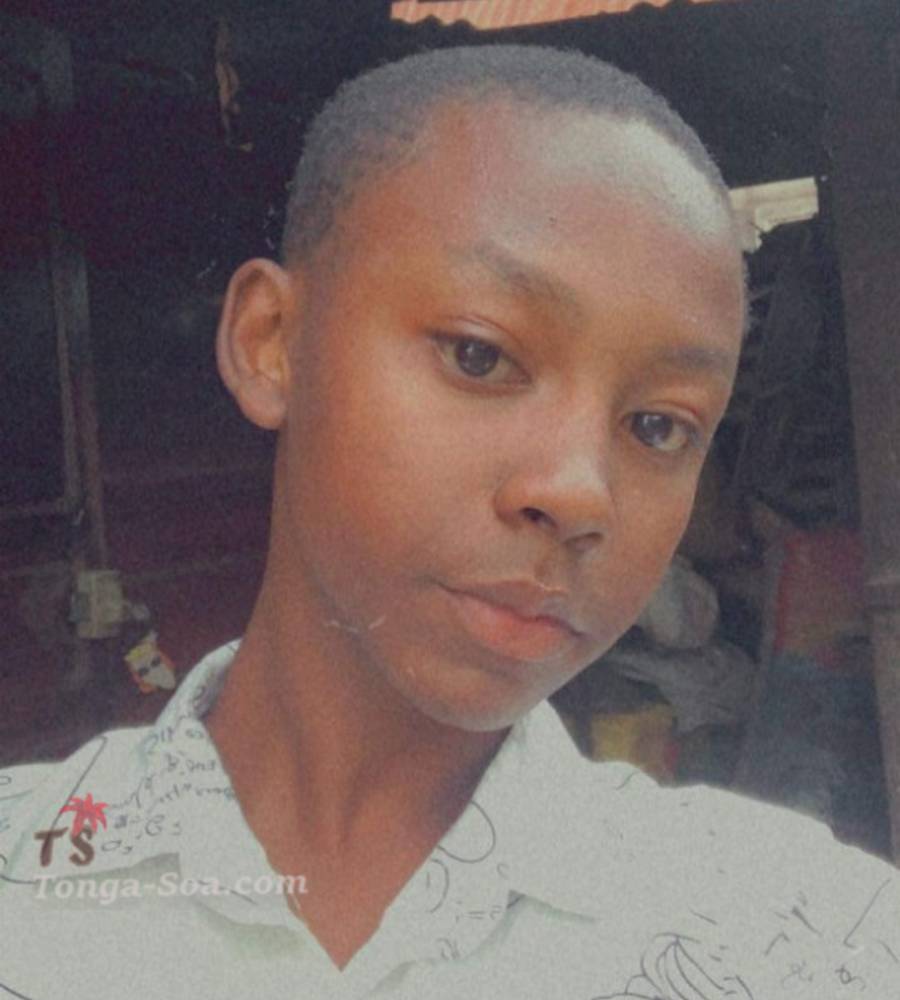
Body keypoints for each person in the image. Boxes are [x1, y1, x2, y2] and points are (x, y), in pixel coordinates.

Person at [1, 44, 897, 999]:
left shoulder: (806, 940)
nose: (580, 493)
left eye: (657, 426)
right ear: (272, 343)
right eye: (479, 355)